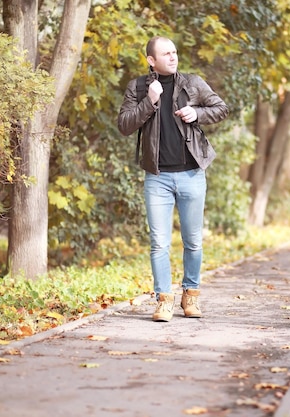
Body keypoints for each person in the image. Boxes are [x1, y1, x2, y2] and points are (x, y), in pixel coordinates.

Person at [117, 36, 229, 322]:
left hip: (192, 173)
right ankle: (163, 300)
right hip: (158, 178)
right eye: (166, 53)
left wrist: (197, 113)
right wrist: (150, 101)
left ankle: (190, 296)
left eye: (174, 52)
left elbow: (221, 108)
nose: (172, 56)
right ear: (151, 60)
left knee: (193, 241)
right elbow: (125, 126)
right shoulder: (139, 88)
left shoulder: (192, 83)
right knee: (159, 243)